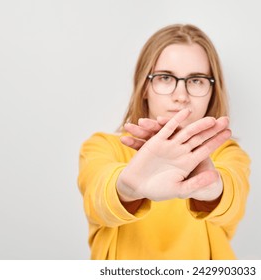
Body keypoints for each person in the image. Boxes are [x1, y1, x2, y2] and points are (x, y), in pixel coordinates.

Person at [77, 24, 251, 260]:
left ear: (213, 90)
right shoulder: (101, 147)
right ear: (145, 86)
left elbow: (233, 199)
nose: (181, 96)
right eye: (166, 78)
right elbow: (97, 201)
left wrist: (212, 188)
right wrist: (126, 188)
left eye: (197, 80)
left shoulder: (228, 153)